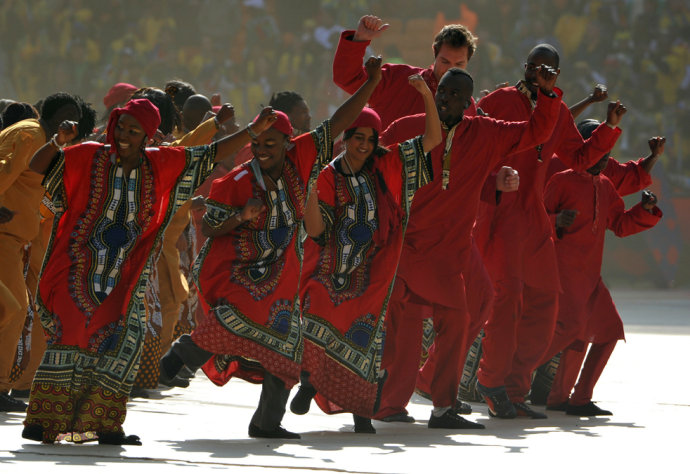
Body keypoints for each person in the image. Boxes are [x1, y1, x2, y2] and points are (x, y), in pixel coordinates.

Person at [21, 98, 277, 444]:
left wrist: (251, 131)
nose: (124, 135)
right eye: (121, 127)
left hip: (125, 278)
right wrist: (57, 144)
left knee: (124, 340)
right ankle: (43, 421)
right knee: (68, 338)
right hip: (76, 271)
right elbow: (38, 169)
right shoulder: (87, 156)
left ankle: (105, 424)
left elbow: (209, 155)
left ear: (148, 136)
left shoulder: (160, 164)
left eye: (133, 130)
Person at [160, 57, 386, 440]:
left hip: (282, 271)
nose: (261, 150)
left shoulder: (303, 157)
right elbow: (212, 226)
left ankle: (266, 424)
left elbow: (341, 122)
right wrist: (242, 217)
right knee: (236, 318)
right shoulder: (238, 179)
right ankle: (185, 352)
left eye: (270, 143)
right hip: (236, 267)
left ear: (288, 141)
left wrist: (371, 83)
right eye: (257, 144)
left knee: (287, 349)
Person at [372, 64, 561, 429]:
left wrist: (548, 95)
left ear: (469, 102)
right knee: (405, 330)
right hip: (407, 248)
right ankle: (391, 405)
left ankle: (443, 408)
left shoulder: (485, 133)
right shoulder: (410, 127)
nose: (447, 99)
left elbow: (537, 131)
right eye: (443, 91)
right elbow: (376, 164)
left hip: (451, 253)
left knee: (457, 322)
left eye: (457, 95)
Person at [474, 44, 626, 419]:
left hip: (535, 217)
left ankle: (514, 388)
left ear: (557, 75)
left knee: (545, 304)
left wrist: (608, 129)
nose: (541, 73)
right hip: (502, 211)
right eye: (536, 67)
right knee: (507, 300)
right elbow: (472, 145)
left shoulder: (556, 110)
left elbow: (579, 158)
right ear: (525, 68)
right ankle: (492, 381)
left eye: (550, 70)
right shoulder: (500, 101)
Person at [291, 74, 440, 434]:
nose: (363, 145)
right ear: (346, 139)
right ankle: (310, 380)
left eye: (370, 140)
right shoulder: (327, 175)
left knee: (365, 341)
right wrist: (308, 193)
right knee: (317, 313)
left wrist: (426, 98)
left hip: (373, 272)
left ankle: (360, 415)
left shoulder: (388, 163)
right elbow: (317, 231)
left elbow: (433, 139)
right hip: (330, 269)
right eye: (357, 137)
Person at [542, 123, 663, 416]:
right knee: (569, 333)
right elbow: (534, 221)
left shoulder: (605, 183)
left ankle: (575, 398)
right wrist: (556, 221)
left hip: (590, 276)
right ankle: (505, 381)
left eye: (607, 154)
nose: (605, 160)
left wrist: (643, 211)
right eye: (598, 152)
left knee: (608, 330)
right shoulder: (559, 178)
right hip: (563, 273)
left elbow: (619, 224)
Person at [0, 92, 82, 413]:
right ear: (54, 115)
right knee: (16, 309)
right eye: (68, 115)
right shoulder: (31, 135)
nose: (73, 123)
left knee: (18, 308)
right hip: (5, 237)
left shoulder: (42, 139)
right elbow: (5, 170)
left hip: (16, 239)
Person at [333, 15, 477, 130]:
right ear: (434, 52)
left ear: (468, 61)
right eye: (445, 62)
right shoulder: (398, 78)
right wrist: (359, 39)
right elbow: (347, 78)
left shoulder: (468, 106)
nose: (450, 70)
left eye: (459, 64)